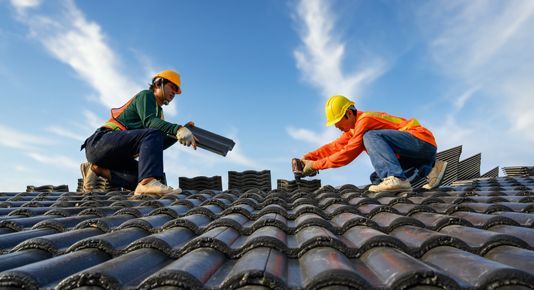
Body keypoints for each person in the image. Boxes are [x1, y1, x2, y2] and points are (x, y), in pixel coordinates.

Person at [80, 70, 198, 196]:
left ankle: (97, 168)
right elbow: (150, 123)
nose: (174, 92)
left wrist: (177, 136)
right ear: (158, 83)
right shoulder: (146, 96)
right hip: (99, 143)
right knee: (153, 136)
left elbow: (156, 145)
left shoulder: (159, 114)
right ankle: (146, 183)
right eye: (172, 87)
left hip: (115, 157)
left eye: (176, 90)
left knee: (157, 177)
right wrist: (178, 129)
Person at [299, 95, 447, 192]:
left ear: (349, 114)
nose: (336, 127)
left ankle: (397, 178)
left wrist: (315, 166)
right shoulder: (353, 129)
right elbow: (334, 147)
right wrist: (308, 158)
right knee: (376, 179)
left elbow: (348, 153)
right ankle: (431, 168)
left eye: (337, 122)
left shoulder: (365, 121)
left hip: (421, 140)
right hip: (415, 154)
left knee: (370, 137)